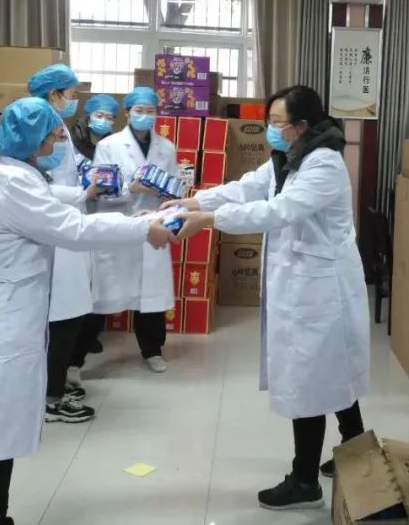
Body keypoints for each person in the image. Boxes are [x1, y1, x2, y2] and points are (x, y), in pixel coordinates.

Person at [0, 98, 175, 525]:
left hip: (15, 326)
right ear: (29, 139)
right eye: (51, 137)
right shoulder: (10, 182)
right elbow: (72, 228)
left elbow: (57, 200)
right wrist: (142, 226)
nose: (56, 144)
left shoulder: (23, 176)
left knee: (2, 435)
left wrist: (102, 197)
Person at [169, 85, 370, 511]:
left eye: (278, 123)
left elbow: (279, 211)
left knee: (309, 379)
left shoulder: (324, 163)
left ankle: (304, 480)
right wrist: (195, 201)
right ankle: (358, 449)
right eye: (270, 121)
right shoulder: (288, 156)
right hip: (303, 282)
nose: (271, 130)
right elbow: (247, 187)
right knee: (331, 368)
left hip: (321, 288)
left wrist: (210, 220)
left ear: (303, 125)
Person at [26, 64, 101, 423]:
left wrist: (90, 172)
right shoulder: (38, 126)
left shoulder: (57, 125)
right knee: (63, 318)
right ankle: (51, 398)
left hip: (69, 225)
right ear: (54, 93)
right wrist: (82, 193)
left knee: (70, 315)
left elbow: (68, 163)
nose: (74, 100)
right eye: (70, 94)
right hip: (58, 229)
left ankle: (53, 385)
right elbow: (40, 185)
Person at [91, 86, 177, 372]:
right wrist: (132, 188)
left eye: (150, 111)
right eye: (139, 110)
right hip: (117, 223)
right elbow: (99, 190)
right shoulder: (109, 145)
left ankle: (152, 350)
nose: (145, 116)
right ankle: (78, 354)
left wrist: (167, 196)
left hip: (152, 223)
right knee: (104, 290)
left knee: (150, 292)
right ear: (127, 113)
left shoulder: (166, 147)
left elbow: (174, 188)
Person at [64, 93, 121, 378]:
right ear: (88, 116)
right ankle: (72, 351)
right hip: (74, 216)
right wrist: (86, 190)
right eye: (99, 115)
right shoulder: (70, 143)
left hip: (100, 217)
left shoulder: (112, 145)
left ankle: (87, 339)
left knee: (99, 285)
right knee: (78, 287)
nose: (104, 121)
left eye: (110, 117)